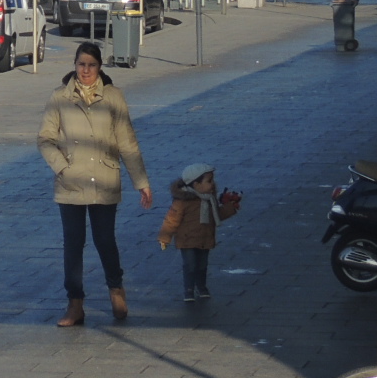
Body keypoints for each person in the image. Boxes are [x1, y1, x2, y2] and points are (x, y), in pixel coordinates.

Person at [38, 41, 152, 328]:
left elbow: (127, 142)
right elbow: (45, 139)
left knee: (105, 241)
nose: (85, 70)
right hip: (71, 183)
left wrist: (141, 181)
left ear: (99, 67)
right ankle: (75, 303)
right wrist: (62, 167)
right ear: (74, 66)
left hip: (103, 178)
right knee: (73, 245)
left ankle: (116, 289)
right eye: (81, 64)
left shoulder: (113, 97)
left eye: (91, 64)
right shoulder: (59, 97)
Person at [158, 163, 241, 302]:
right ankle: (189, 289)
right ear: (195, 184)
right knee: (190, 265)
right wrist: (165, 237)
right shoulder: (183, 201)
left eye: (212, 180)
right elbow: (171, 220)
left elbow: (216, 215)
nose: (213, 184)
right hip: (187, 239)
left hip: (204, 237)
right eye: (209, 181)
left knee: (202, 265)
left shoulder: (210, 199)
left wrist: (230, 208)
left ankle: (201, 286)